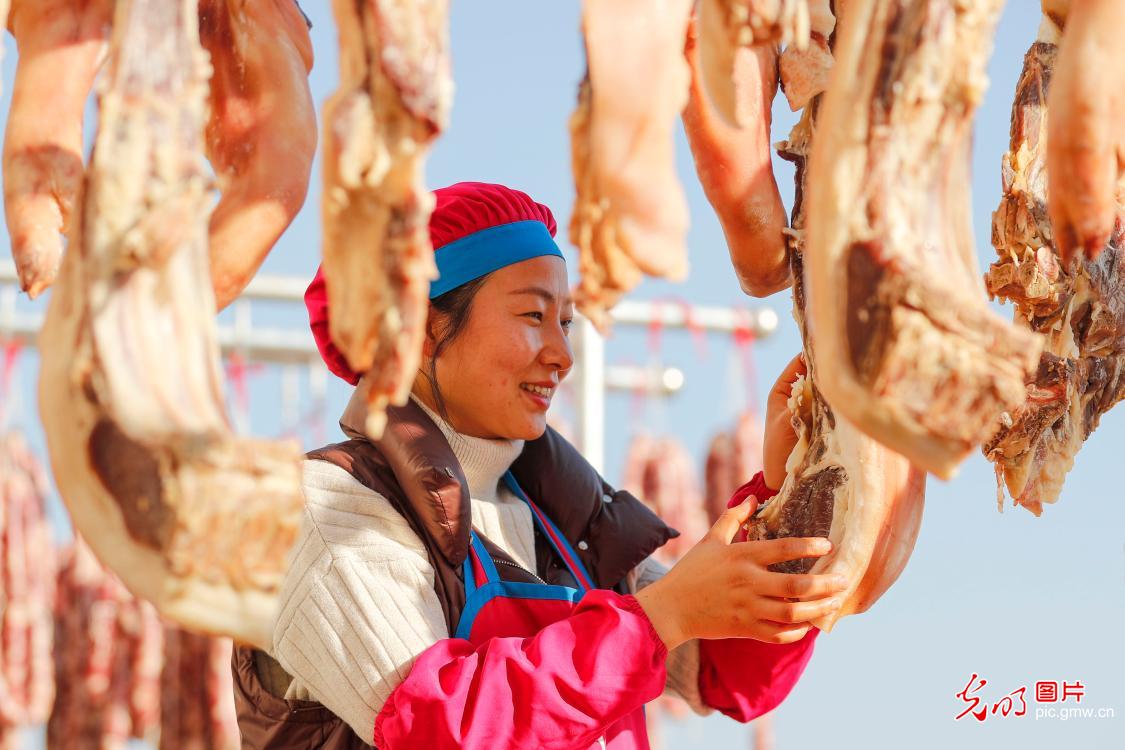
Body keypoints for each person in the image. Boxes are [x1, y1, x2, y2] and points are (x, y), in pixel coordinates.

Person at [231, 181, 847, 749]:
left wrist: (790, 486)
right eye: (532, 316)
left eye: (567, 323)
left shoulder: (561, 518)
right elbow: (442, 728)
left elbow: (722, 671)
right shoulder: (330, 509)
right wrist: (659, 619)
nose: (562, 355)